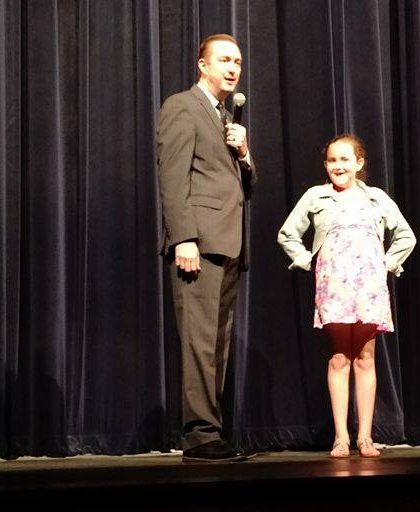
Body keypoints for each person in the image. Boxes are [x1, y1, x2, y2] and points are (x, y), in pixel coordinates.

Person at [277, 134, 415, 458]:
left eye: (345, 160)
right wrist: (307, 260)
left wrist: (388, 262)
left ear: (359, 163)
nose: (338, 166)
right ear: (326, 165)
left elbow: (406, 236)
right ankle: (341, 436)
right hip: (334, 285)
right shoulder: (317, 197)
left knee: (365, 358)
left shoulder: (376, 198)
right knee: (340, 358)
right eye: (332, 160)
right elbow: (288, 233)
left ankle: (365, 436)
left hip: (368, 286)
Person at [156, 34, 256, 462]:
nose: (233, 68)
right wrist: (184, 238)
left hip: (228, 243)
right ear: (203, 65)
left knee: (217, 344)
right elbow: (173, 178)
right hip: (199, 242)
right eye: (224, 60)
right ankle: (199, 436)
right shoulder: (182, 106)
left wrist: (245, 152)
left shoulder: (225, 117)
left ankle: (210, 434)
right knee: (199, 344)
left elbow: (243, 188)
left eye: (237, 61)